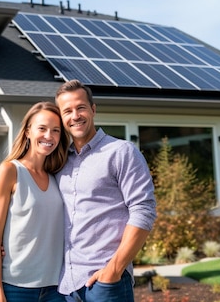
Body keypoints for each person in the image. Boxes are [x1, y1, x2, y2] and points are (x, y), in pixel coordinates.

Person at [54, 80, 157, 302]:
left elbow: (143, 210)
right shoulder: (59, 162)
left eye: (80, 107)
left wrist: (113, 270)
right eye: (67, 111)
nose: (75, 116)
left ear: (93, 109)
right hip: (66, 286)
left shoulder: (121, 152)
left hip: (106, 285)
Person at [0, 101, 69, 302]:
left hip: (55, 289)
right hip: (14, 288)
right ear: (28, 132)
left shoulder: (56, 176)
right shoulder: (10, 171)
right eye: (42, 128)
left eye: (56, 130)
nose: (49, 136)